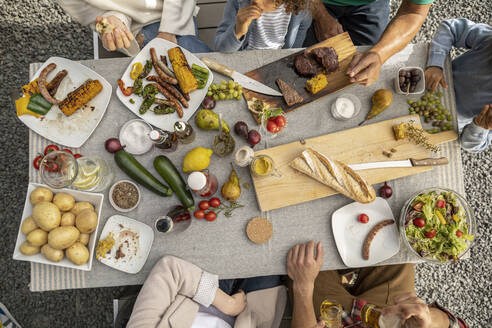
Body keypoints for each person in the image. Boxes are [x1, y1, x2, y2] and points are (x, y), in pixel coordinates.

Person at [287, 241, 468, 327]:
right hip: (388, 315)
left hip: (331, 322)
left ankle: (339, 277)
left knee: (301, 253)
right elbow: (455, 325)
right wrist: (429, 322)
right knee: (396, 245)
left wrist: (303, 287)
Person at [127, 256, 286, 328]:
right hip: (251, 317)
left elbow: (169, 270)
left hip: (200, 292)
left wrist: (228, 304)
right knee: (274, 254)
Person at [304, 0, 432, 86]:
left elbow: (414, 12)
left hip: (370, 3)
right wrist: (319, 13)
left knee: (362, 66)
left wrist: (379, 53)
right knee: (303, 62)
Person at [424, 18, 492, 153]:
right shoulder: (489, 40)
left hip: (440, 122)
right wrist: (435, 64)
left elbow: (468, 145)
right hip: (427, 79)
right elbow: (451, 27)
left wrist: (480, 126)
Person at [55, 0, 211, 55]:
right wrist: (115, 23)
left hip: (176, 9)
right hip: (139, 28)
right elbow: (95, 19)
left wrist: (168, 31)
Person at [214, 0, 312, 52]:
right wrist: (238, 30)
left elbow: (294, 51)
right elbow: (220, 48)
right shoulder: (238, 2)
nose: (255, 1)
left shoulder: (300, 9)